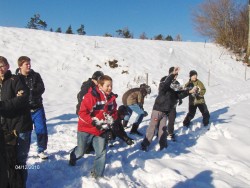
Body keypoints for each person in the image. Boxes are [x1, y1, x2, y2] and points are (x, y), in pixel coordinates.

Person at [69, 75, 117, 179]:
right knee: (81, 151)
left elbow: (114, 112)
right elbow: (82, 113)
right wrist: (94, 122)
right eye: (107, 86)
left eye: (111, 86)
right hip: (86, 128)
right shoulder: (91, 96)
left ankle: (97, 175)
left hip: (100, 130)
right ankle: (73, 156)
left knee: (101, 152)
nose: (110, 88)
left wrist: (111, 119)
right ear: (100, 85)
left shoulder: (112, 99)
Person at [0, 56, 33, 188]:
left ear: (8, 66)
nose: (0, 69)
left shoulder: (16, 80)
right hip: (5, 129)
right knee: (7, 161)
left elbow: (22, 99)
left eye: (2, 65)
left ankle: (21, 184)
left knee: (19, 161)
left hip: (21, 127)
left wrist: (1, 105)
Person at [141, 67, 187, 151]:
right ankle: (145, 144)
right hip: (158, 109)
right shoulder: (164, 82)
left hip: (166, 111)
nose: (175, 76)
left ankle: (163, 145)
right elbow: (165, 85)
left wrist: (189, 91)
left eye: (176, 75)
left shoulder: (175, 84)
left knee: (163, 129)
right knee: (152, 127)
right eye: (174, 74)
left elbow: (179, 94)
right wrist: (171, 75)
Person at [16, 56, 48, 160]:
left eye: (29, 63)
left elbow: (41, 88)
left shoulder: (36, 75)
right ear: (20, 66)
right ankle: (24, 151)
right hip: (24, 111)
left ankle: (41, 150)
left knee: (41, 129)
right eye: (26, 64)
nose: (29, 65)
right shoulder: (16, 78)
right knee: (25, 133)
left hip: (37, 108)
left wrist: (30, 93)